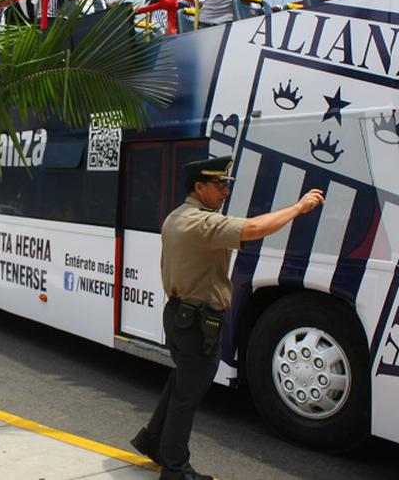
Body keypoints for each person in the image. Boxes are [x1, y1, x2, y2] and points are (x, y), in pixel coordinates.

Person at [131, 156, 324, 480]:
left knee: (182, 382)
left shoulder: (177, 217)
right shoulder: (203, 223)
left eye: (227, 184)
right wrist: (298, 208)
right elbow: (253, 228)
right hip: (196, 321)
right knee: (188, 393)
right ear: (199, 187)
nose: (225, 191)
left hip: (178, 314)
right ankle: (175, 467)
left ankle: (152, 440)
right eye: (220, 185)